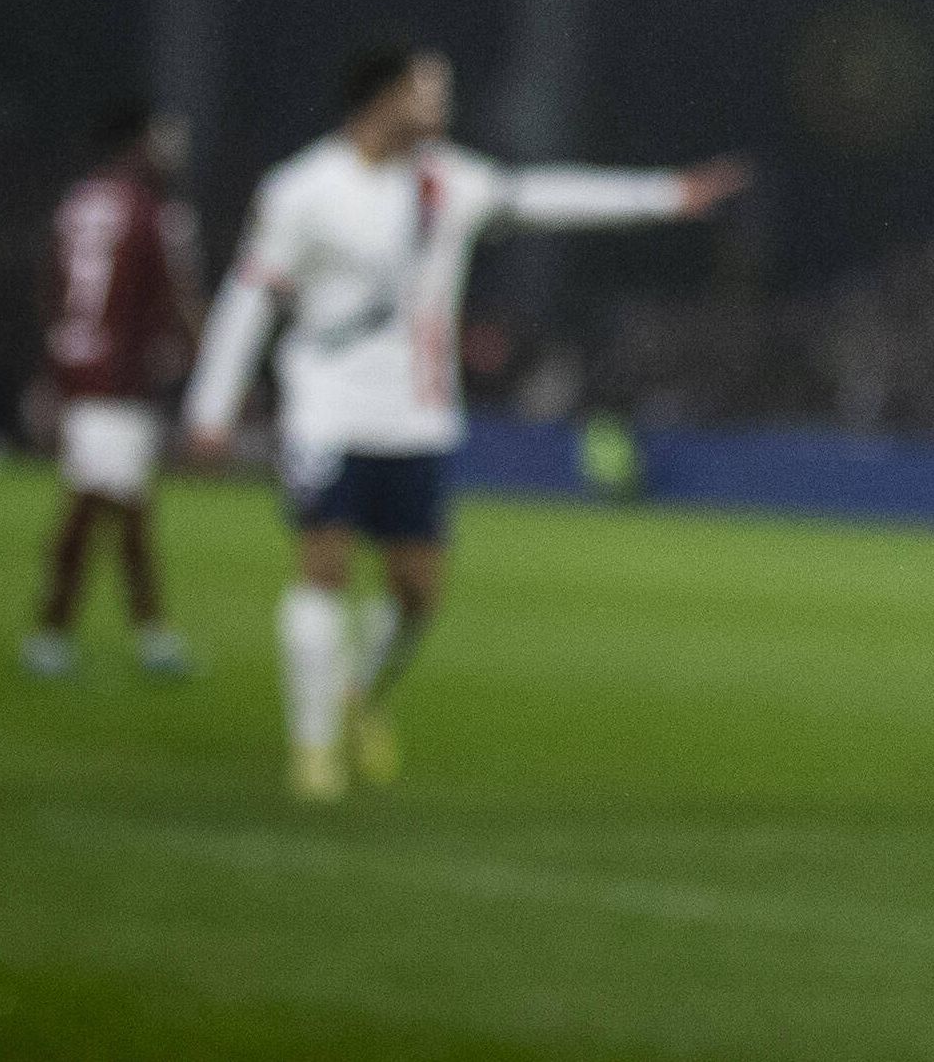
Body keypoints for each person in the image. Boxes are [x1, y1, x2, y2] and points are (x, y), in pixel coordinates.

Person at [182, 44, 748, 802]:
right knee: (323, 569)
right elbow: (251, 297)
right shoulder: (303, 189)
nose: (440, 103)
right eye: (426, 89)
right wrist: (211, 407)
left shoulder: (446, 183)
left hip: (416, 417)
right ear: (381, 97)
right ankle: (311, 747)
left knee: (418, 592)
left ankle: (361, 695)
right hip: (326, 408)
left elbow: (544, 196)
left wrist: (663, 196)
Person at [24, 100, 204, 681]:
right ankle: (55, 634)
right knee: (101, 503)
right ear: (139, 139)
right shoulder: (154, 211)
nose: (173, 146)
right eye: (163, 134)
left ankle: (148, 635)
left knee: (120, 505)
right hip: (120, 375)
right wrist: (210, 366)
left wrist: (53, 365)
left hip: (76, 364)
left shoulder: (79, 201)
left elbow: (50, 286)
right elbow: (175, 296)